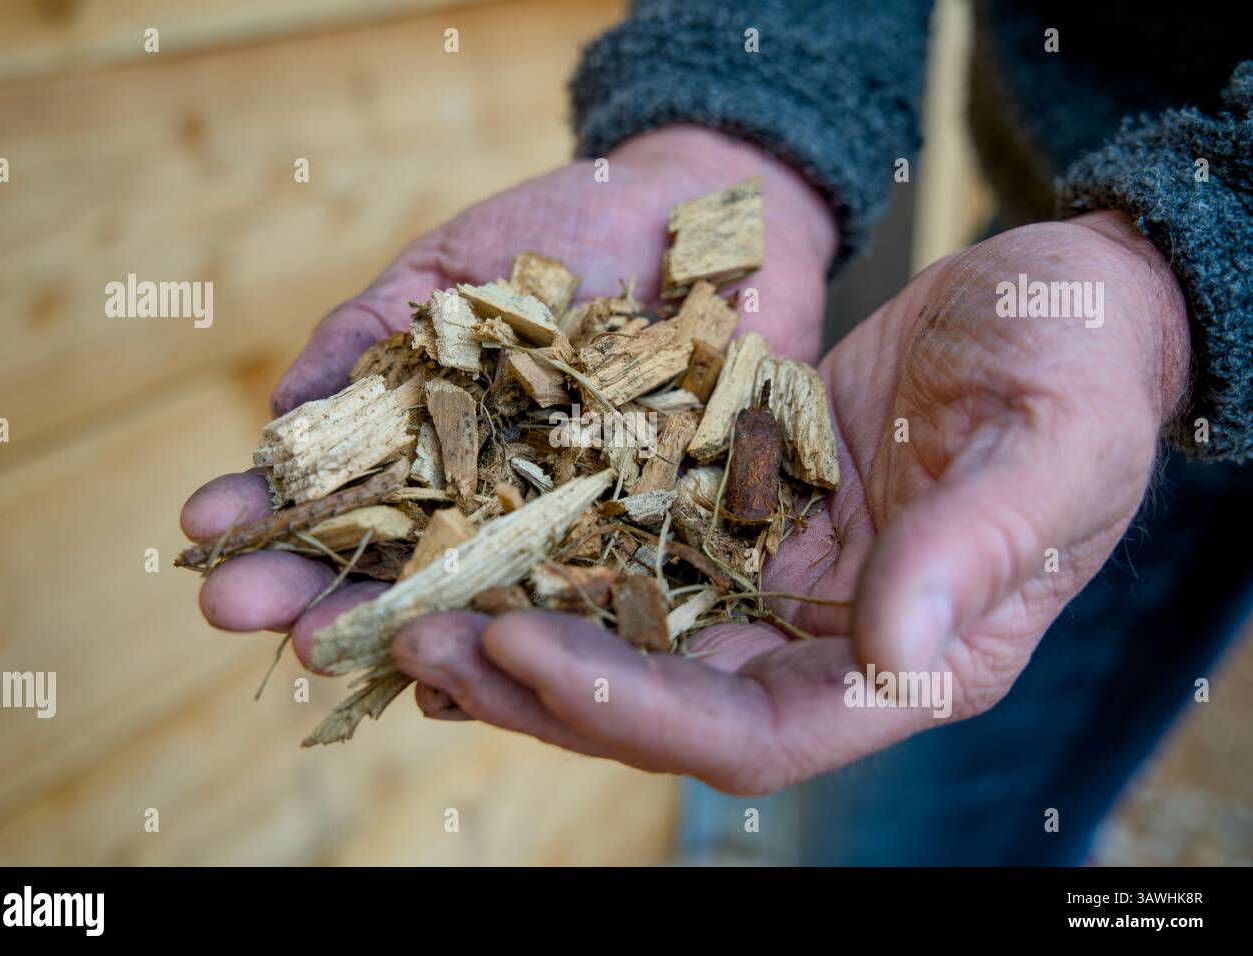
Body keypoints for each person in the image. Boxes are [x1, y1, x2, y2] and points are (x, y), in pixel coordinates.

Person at [180, 0, 1253, 864]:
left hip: (1151, 277)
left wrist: (1200, 268)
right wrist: (739, 113)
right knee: (905, 815)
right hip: (1090, 258)